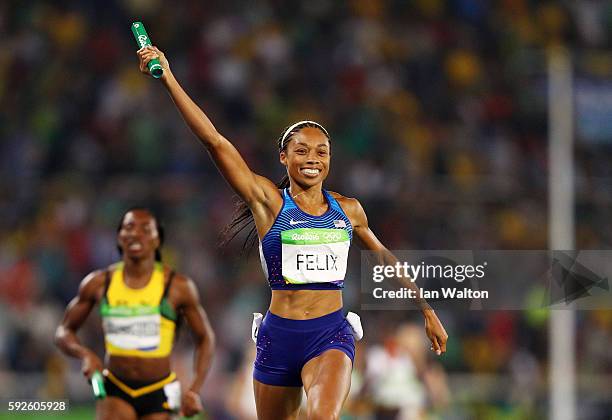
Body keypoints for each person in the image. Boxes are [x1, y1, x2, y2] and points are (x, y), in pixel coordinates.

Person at [137, 46, 448, 420]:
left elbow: (384, 258)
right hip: (277, 338)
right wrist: (168, 77)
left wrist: (426, 309)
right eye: (302, 151)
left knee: (322, 417)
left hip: (330, 335)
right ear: (284, 157)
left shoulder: (348, 210)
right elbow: (215, 141)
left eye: (322, 151)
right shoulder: (269, 203)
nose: (313, 159)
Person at [55, 208, 215, 420]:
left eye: (145, 229)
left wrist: (194, 389)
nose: (136, 233)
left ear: (158, 240)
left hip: (160, 391)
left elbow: (205, 338)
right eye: (129, 227)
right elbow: (64, 330)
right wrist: (85, 355)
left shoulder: (178, 286)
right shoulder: (99, 283)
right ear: (120, 237)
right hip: (115, 387)